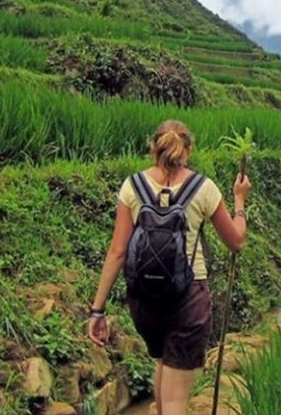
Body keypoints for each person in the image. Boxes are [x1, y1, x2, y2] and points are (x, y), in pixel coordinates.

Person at [87, 120, 251, 415]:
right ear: (188, 149)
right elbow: (237, 241)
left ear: (154, 147)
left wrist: (97, 310)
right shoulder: (204, 188)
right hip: (188, 298)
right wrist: (239, 201)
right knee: (176, 400)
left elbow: (117, 251)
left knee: (162, 364)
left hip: (144, 300)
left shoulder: (132, 186)